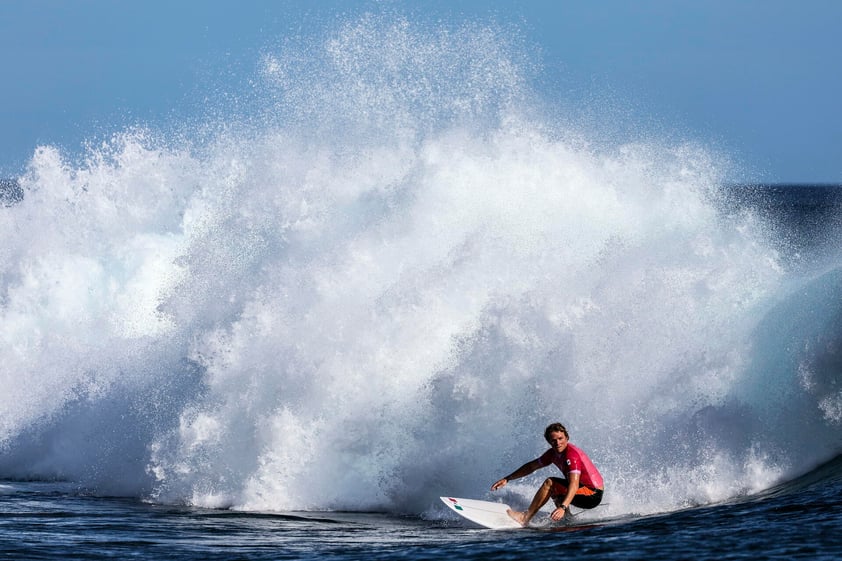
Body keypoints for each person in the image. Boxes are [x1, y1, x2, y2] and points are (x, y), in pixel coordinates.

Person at [491, 422, 604, 527]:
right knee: (557, 489)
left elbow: (573, 485)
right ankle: (568, 520)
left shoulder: (571, 455)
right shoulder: (552, 454)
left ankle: (524, 518)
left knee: (550, 483)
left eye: (561, 438)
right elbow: (531, 467)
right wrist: (508, 478)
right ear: (549, 441)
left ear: (567, 438)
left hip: (592, 494)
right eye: (553, 440)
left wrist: (562, 507)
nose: (558, 443)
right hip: (583, 490)